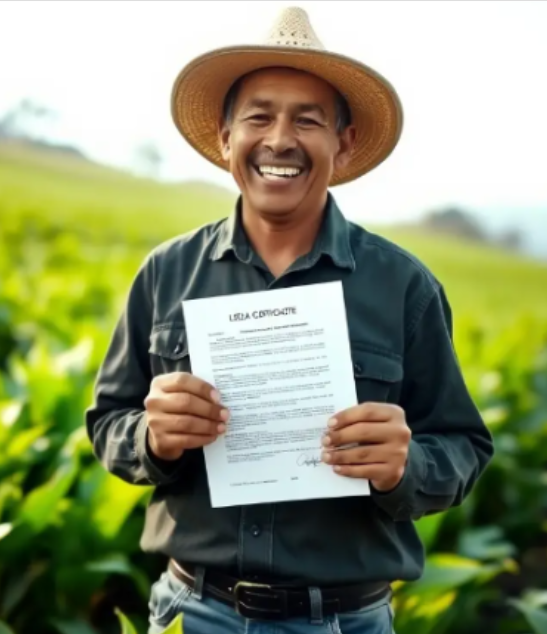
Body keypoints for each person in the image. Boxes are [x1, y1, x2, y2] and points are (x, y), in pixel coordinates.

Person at [85, 6, 494, 634]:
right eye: (258, 116)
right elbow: (109, 422)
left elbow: (464, 447)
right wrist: (153, 438)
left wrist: (402, 466)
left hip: (344, 620)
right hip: (192, 610)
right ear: (226, 138)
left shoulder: (404, 286)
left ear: (343, 142)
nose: (280, 139)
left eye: (307, 120)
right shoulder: (166, 273)